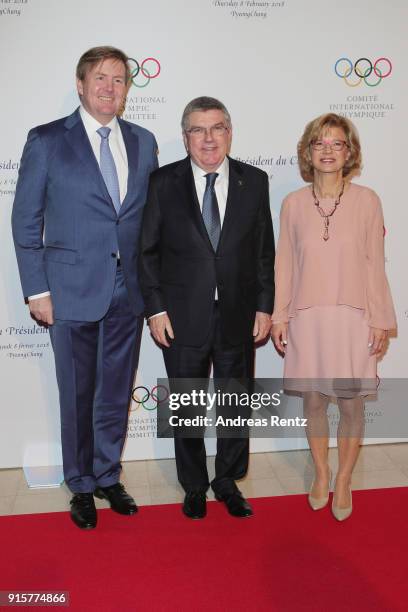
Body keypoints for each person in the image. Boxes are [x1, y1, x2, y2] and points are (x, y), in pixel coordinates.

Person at [12, 46, 158, 529]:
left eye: (118, 80)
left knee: (115, 391)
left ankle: (107, 475)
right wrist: (37, 291)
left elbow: (147, 222)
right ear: (80, 84)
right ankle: (78, 484)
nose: (108, 88)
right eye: (100, 78)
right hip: (69, 290)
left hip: (128, 291)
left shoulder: (144, 141)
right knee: (77, 392)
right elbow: (26, 221)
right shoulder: (48, 140)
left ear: (127, 90)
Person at [139, 96, 275, 519]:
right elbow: (147, 253)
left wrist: (264, 306)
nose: (208, 138)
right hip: (181, 317)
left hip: (237, 311)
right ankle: (194, 484)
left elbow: (263, 252)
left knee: (235, 402)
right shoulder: (163, 182)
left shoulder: (254, 181)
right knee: (186, 403)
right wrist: (156, 309)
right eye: (198, 129)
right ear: (185, 137)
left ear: (230, 132)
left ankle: (228, 480)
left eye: (217, 127)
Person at [271, 113, 396, 521]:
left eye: (336, 143)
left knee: (351, 406)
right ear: (308, 152)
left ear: (349, 152)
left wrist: (380, 319)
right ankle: (321, 471)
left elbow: (375, 264)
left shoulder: (367, 201)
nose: (327, 151)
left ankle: (344, 479)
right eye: (319, 144)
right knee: (313, 402)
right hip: (307, 320)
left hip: (353, 320)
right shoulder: (291, 204)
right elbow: (284, 265)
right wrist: (279, 316)